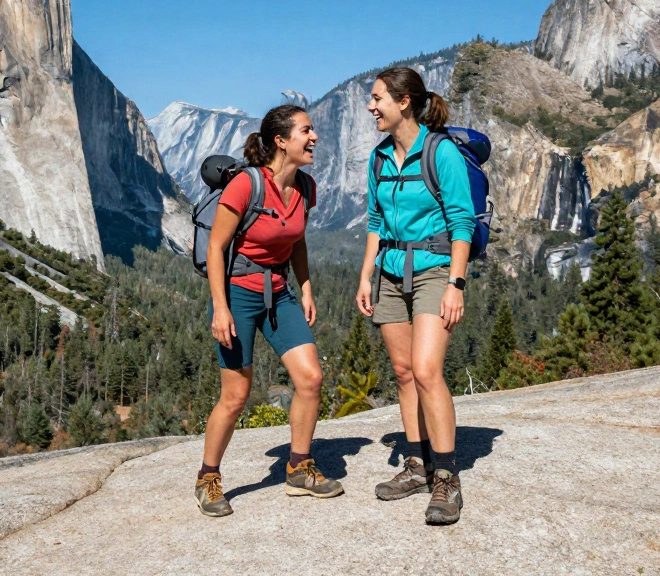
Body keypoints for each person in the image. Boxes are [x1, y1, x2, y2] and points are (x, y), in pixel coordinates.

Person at [195, 104, 343, 517]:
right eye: (306, 132)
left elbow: (296, 241)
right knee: (236, 395)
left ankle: (298, 469)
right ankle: (208, 478)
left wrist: (307, 287)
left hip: (278, 292)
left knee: (310, 378)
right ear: (280, 140)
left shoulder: (306, 188)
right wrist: (220, 309)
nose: (314, 138)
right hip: (237, 294)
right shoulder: (246, 185)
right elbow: (215, 247)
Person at [356, 67, 476, 526]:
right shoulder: (379, 158)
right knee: (404, 373)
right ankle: (415, 465)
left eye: (377, 98)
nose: (371, 106)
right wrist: (365, 277)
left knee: (427, 371)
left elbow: (462, 222)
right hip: (389, 272)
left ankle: (447, 478)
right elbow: (374, 221)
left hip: (434, 270)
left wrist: (456, 285)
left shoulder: (439, 151)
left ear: (404, 101)